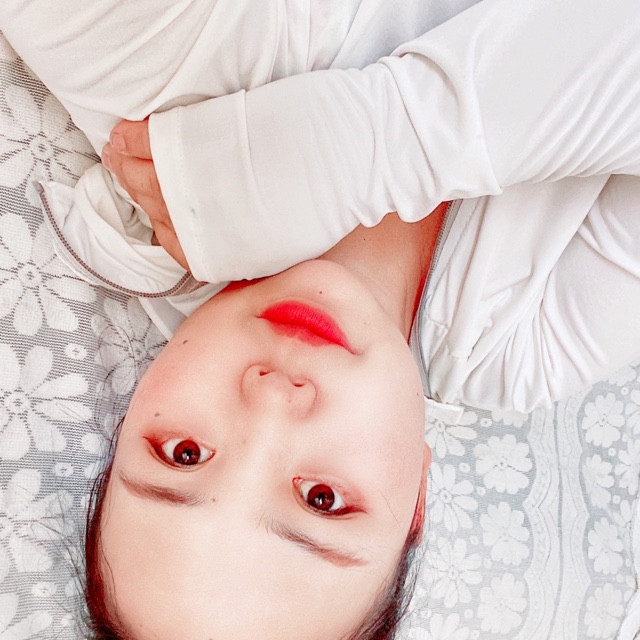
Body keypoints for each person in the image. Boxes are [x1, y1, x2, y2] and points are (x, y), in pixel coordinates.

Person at [2, 0, 640, 638]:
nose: (273, 398)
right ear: (416, 502)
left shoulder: (159, 94)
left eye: (184, 454)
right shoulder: (521, 344)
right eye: (322, 500)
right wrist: (372, 147)